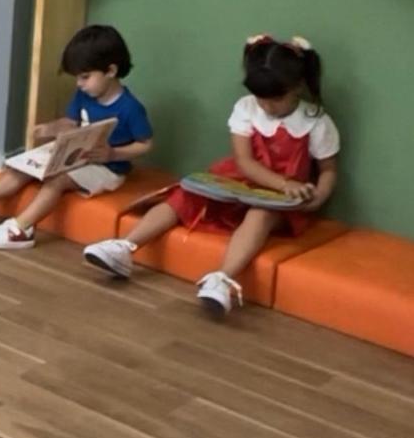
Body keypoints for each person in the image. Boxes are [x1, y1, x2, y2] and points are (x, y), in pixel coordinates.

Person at [83, 35, 340, 316]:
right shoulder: (247, 108)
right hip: (241, 181)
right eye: (261, 99)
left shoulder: (316, 122)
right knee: (185, 194)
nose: (267, 106)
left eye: (276, 99)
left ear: (298, 86)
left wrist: (317, 197)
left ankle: (222, 279)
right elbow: (244, 161)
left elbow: (328, 169)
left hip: (279, 197)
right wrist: (283, 182)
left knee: (260, 214)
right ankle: (125, 246)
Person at [0, 25, 153, 251]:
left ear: (111, 71)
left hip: (107, 168)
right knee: (23, 166)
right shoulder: (85, 94)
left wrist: (112, 154)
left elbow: (145, 145)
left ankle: (21, 229)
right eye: (78, 77)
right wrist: (49, 129)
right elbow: (71, 122)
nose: (79, 83)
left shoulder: (130, 108)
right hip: (77, 155)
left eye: (85, 77)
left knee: (56, 180)